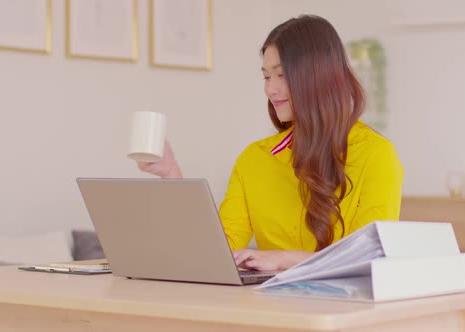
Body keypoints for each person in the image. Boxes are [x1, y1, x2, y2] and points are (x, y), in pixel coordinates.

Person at [137, 15, 403, 272]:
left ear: (319, 76)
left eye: (281, 75)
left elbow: (366, 259)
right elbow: (214, 252)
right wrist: (172, 176)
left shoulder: (376, 155)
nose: (270, 89)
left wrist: (282, 260)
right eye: (266, 77)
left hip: (341, 311)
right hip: (271, 309)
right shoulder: (254, 159)